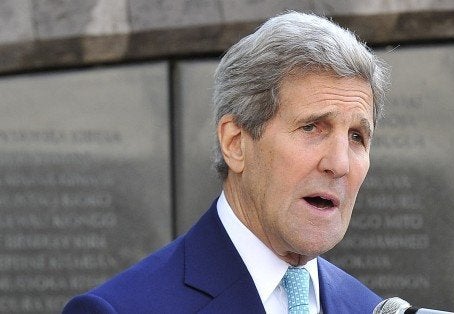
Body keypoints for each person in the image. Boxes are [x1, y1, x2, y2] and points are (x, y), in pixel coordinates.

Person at [63, 11, 389, 314]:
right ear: (235, 143)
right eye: (311, 127)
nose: (340, 163)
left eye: (357, 136)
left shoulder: (368, 307)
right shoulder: (120, 309)